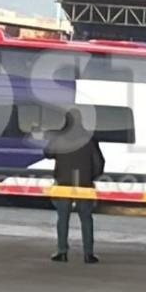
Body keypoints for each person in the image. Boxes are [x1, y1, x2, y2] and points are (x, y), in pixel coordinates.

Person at [44, 109, 105, 264]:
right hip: (84, 184)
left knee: (62, 218)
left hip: (63, 183)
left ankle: (62, 252)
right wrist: (91, 178)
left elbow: (48, 153)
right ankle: (88, 254)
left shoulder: (60, 137)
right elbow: (99, 162)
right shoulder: (89, 138)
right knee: (86, 218)